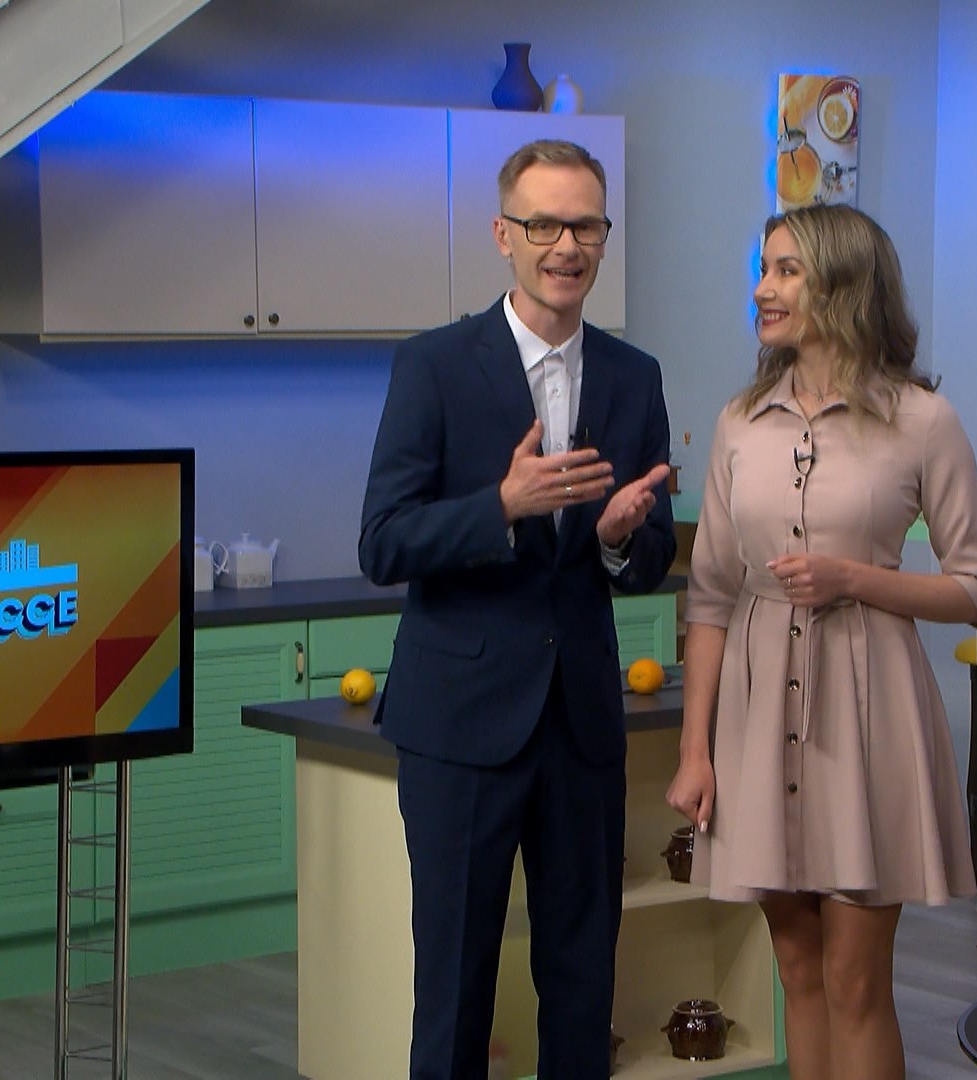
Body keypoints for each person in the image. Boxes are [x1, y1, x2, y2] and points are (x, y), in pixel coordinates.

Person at [359, 139, 676, 1080]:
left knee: (582, 984)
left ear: (604, 238)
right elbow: (383, 543)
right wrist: (500, 506)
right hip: (459, 729)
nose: (565, 246)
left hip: (580, 726)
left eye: (585, 226)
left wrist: (615, 538)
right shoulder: (434, 366)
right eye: (544, 225)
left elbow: (650, 558)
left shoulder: (634, 376)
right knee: (454, 987)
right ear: (505, 235)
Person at [664, 204, 977, 1079]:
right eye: (763, 268)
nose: (762, 289)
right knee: (797, 969)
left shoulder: (924, 421)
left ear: (845, 285)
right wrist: (695, 752)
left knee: (855, 980)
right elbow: (710, 596)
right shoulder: (739, 422)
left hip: (868, 714)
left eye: (786, 271)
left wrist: (855, 578)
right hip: (753, 718)